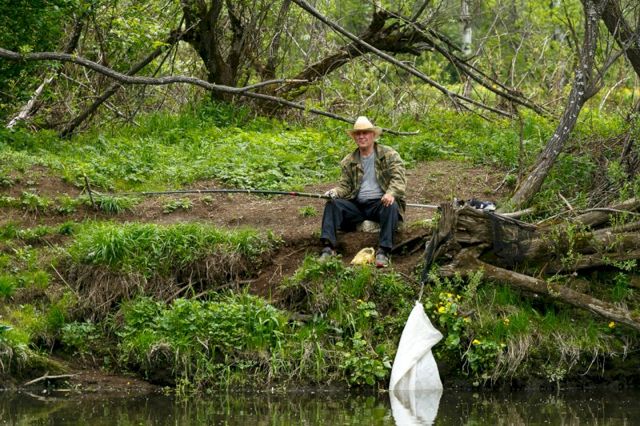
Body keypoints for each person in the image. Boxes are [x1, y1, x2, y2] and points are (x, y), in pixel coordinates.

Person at [319, 116, 406, 268]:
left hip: (380, 203)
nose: (361, 136)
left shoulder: (389, 155)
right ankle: (328, 248)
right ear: (354, 137)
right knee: (332, 204)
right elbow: (345, 186)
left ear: (373, 135)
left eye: (365, 133)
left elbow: (398, 179)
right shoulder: (349, 160)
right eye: (358, 134)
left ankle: (384, 251)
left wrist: (390, 193)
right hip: (357, 205)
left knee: (391, 206)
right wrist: (335, 192)